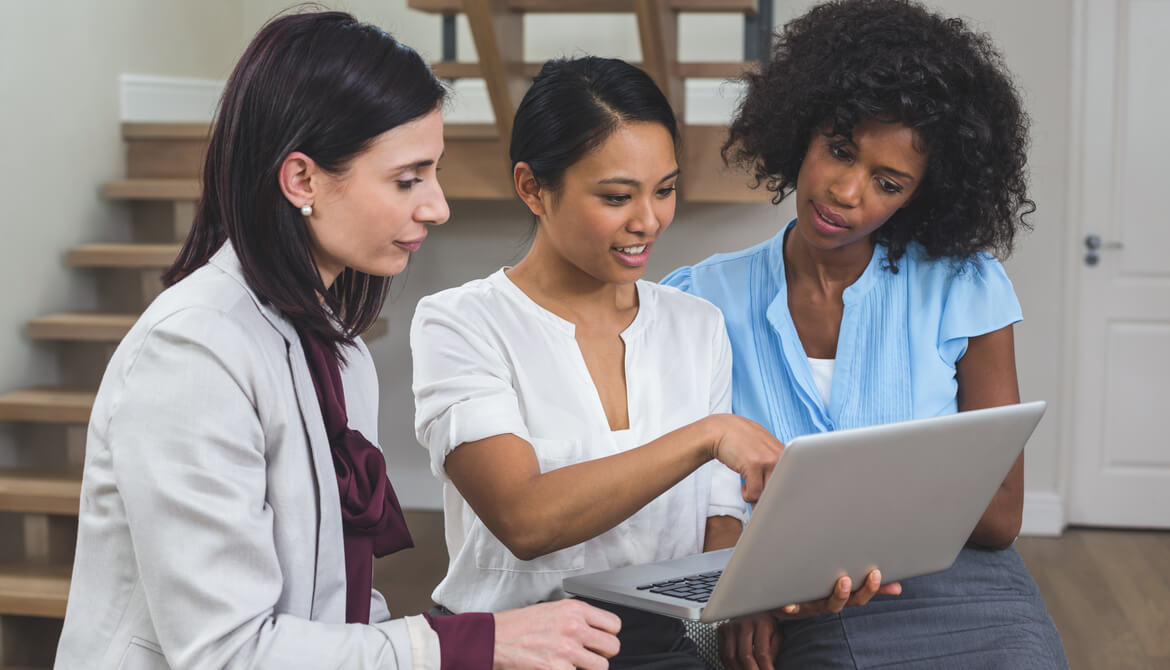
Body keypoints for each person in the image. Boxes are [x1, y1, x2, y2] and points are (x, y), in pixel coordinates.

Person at [54, 12, 623, 670]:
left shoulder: (338, 348)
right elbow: (227, 654)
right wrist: (474, 643)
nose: (437, 206)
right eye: (408, 179)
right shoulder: (193, 355)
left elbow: (336, 609)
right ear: (303, 181)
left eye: (433, 173)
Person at [411, 56, 892, 670]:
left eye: (664, 190)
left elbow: (722, 521)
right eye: (616, 197)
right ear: (532, 187)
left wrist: (774, 594)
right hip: (514, 647)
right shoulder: (460, 323)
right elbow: (524, 519)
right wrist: (706, 437)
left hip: (661, 649)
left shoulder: (697, 325)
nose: (648, 221)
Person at [662, 1, 1069, 668]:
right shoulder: (697, 300)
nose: (847, 193)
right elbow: (684, 496)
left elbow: (998, 517)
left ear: (922, 194)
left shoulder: (965, 285)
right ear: (802, 131)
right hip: (779, 582)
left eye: (887, 182)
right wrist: (738, 591)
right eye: (840, 150)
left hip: (951, 577)